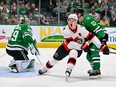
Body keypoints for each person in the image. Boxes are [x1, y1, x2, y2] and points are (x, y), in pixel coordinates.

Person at [38, 14, 109, 79]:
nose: (71, 22)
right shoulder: (65, 30)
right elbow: (70, 44)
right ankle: (45, 68)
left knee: (73, 52)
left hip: (77, 49)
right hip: (65, 47)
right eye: (69, 20)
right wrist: (83, 46)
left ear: (76, 22)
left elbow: (92, 37)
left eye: (73, 20)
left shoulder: (81, 28)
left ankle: (69, 69)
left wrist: (102, 47)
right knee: (54, 60)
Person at [76, 8, 109, 78]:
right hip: (92, 38)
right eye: (77, 17)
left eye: (79, 17)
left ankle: (97, 70)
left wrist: (103, 41)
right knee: (88, 56)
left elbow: (98, 30)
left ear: (82, 15)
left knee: (94, 51)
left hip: (100, 35)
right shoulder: (78, 22)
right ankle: (94, 69)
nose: (78, 19)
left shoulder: (88, 19)